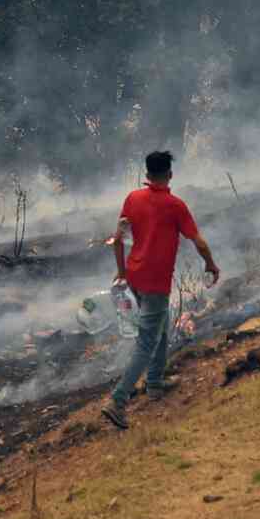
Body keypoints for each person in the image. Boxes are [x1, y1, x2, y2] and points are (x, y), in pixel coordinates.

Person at [102, 150, 219, 430]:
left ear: (147, 174)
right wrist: (211, 265)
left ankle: (154, 383)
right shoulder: (174, 205)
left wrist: (121, 272)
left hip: (135, 276)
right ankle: (117, 401)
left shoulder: (133, 199)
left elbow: (117, 240)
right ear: (170, 175)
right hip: (155, 282)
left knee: (162, 324)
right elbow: (199, 243)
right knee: (146, 342)